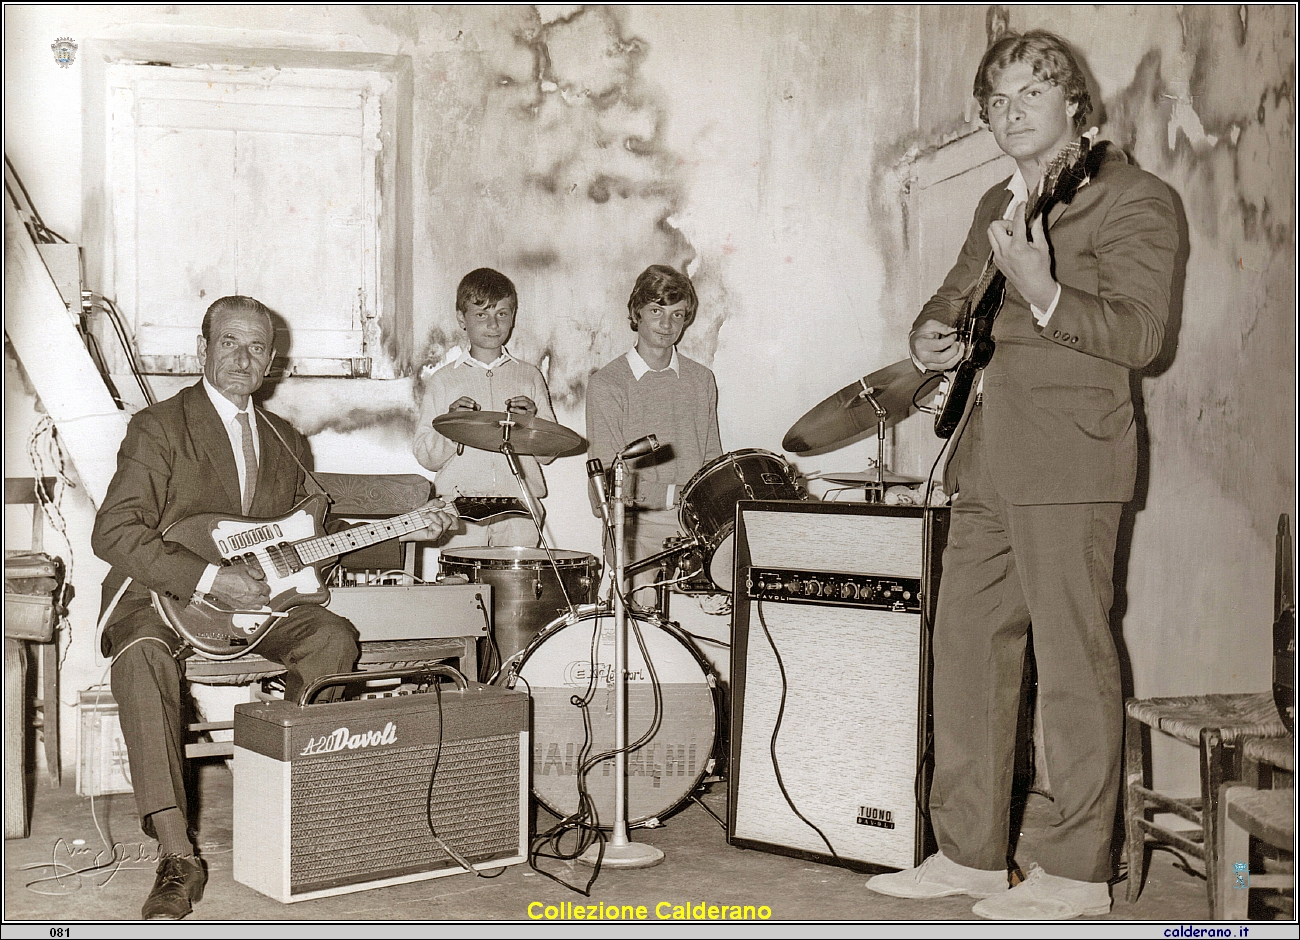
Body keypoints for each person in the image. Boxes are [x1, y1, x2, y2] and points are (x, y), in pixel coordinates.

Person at [865, 30, 1177, 919]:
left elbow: (1142, 337)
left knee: (1075, 659)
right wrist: (931, 330)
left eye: (1028, 96)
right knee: (965, 647)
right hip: (989, 454)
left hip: (1074, 456)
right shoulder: (995, 203)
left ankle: (1079, 872)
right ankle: (969, 853)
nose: (1010, 114)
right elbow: (957, 290)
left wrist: (1043, 290)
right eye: (996, 102)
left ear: (1072, 101)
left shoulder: (1136, 200)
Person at [91, 295, 456, 920]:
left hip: (261, 607)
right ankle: (177, 852)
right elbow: (115, 533)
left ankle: (281, 799)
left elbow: (314, 539)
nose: (242, 357)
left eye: (256, 347)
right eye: (229, 342)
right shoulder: (158, 428)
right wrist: (209, 578)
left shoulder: (286, 441)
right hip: (166, 598)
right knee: (141, 658)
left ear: (271, 363)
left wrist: (403, 531)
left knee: (333, 637)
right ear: (202, 351)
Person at [585, 265, 723, 607]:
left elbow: (712, 459)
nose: (666, 324)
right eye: (656, 311)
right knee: (637, 631)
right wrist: (673, 494)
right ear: (637, 313)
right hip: (634, 524)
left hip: (691, 522)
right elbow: (603, 482)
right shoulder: (607, 383)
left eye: (677, 315)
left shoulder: (701, 379)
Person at [413, 268, 557, 547]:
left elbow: (549, 454)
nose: (493, 325)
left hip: (519, 508)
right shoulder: (443, 380)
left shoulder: (529, 376)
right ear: (461, 318)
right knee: (460, 590)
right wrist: (452, 427)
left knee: (518, 590)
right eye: (481, 314)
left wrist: (531, 425)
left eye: (502, 313)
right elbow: (426, 456)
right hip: (459, 509)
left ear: (513, 317)